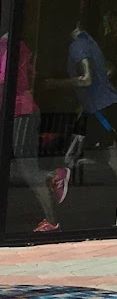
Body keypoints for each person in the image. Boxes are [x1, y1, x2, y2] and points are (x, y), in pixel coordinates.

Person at [66, 23, 117, 202]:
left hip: (102, 110)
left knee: (114, 161)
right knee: (94, 156)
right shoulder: (90, 43)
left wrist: (55, 83)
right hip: (96, 108)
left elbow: (89, 79)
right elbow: (107, 70)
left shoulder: (80, 45)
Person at [1, 34, 59, 232]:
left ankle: (51, 220)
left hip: (21, 112)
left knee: (28, 168)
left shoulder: (10, 45)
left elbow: (5, 80)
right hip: (13, 112)